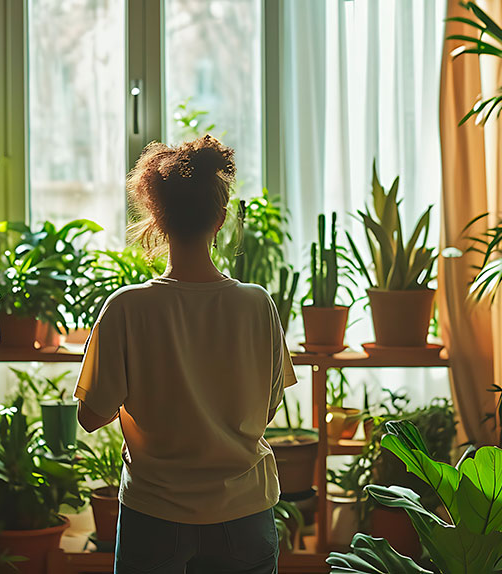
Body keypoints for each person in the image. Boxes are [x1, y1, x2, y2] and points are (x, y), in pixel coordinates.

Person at [74, 135, 298, 573]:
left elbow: (89, 416)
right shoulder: (257, 305)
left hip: (154, 516)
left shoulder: (126, 308)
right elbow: (267, 409)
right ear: (220, 219)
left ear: (157, 218)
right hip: (244, 514)